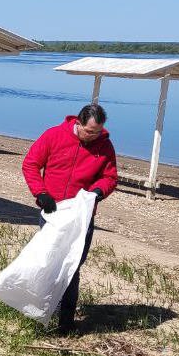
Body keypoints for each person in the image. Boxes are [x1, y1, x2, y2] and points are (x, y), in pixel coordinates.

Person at [22, 103, 118, 333]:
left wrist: (97, 192)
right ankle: (43, 313)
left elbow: (110, 177)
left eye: (97, 132)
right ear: (78, 123)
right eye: (89, 131)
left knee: (72, 267)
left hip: (81, 217)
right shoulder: (53, 135)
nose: (93, 136)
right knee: (48, 263)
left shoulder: (104, 146)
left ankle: (66, 322)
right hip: (52, 214)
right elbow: (31, 164)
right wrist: (41, 193)